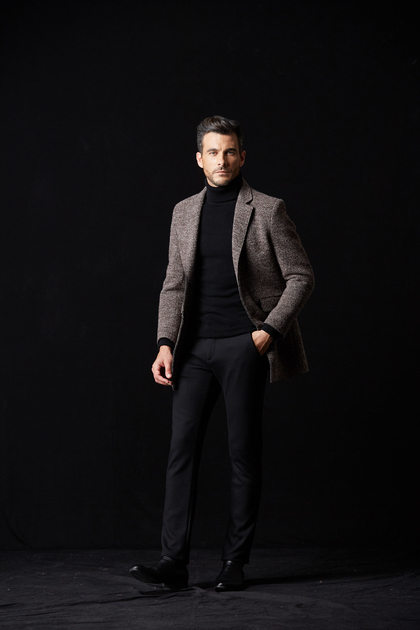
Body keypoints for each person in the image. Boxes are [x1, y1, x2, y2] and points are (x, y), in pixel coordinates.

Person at [130, 116, 314, 591]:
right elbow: (174, 283)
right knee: (181, 451)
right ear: (199, 159)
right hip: (192, 349)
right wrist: (165, 343)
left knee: (242, 454)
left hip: (243, 345)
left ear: (242, 156)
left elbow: (301, 276)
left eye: (230, 151)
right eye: (213, 152)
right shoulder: (183, 212)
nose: (222, 160)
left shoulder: (267, 209)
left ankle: (235, 562)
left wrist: (269, 331)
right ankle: (173, 562)